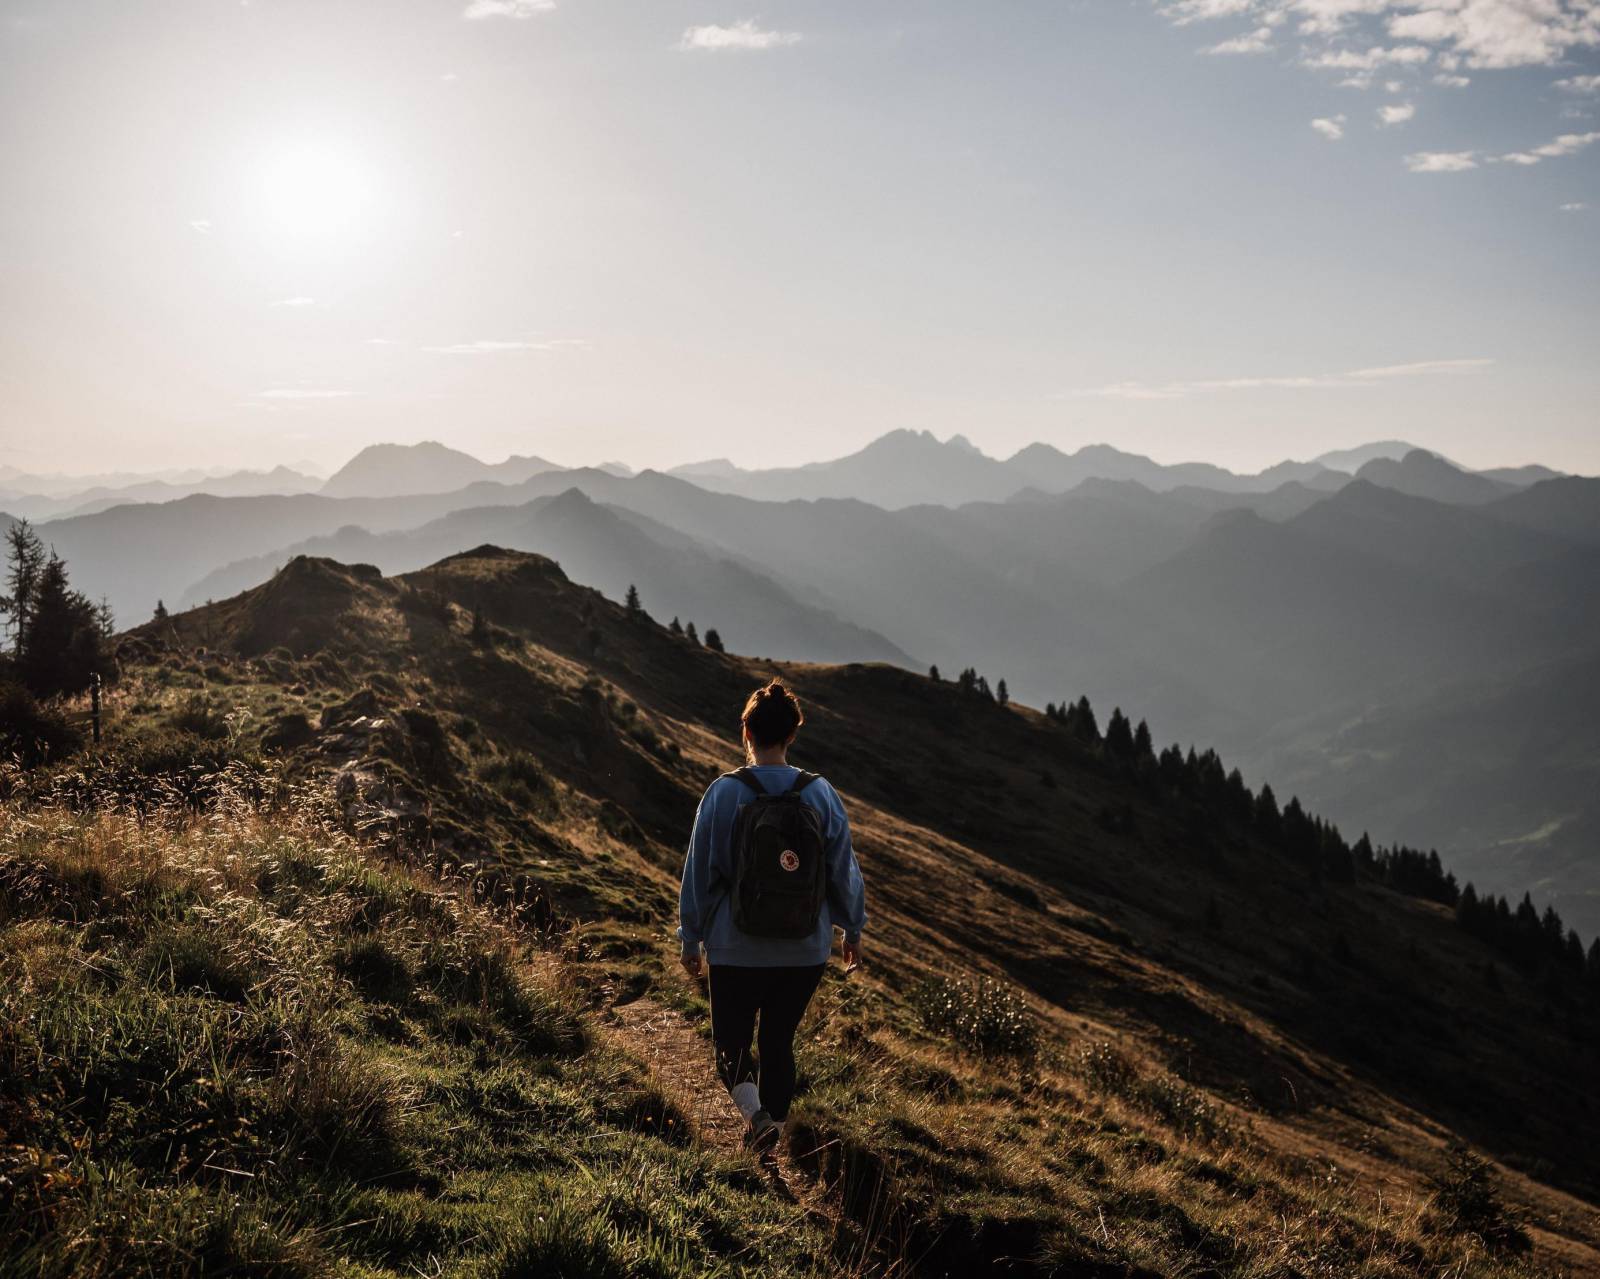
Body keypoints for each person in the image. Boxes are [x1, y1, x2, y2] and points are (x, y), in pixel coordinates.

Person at [677, 678, 867, 1154]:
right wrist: (853, 928)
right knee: (779, 1045)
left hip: (734, 944)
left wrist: (690, 937)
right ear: (791, 735)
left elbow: (699, 870)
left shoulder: (723, 794)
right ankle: (773, 1131)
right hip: (804, 948)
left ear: (746, 732)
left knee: (731, 1046)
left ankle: (756, 1118)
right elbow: (842, 868)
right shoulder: (821, 794)